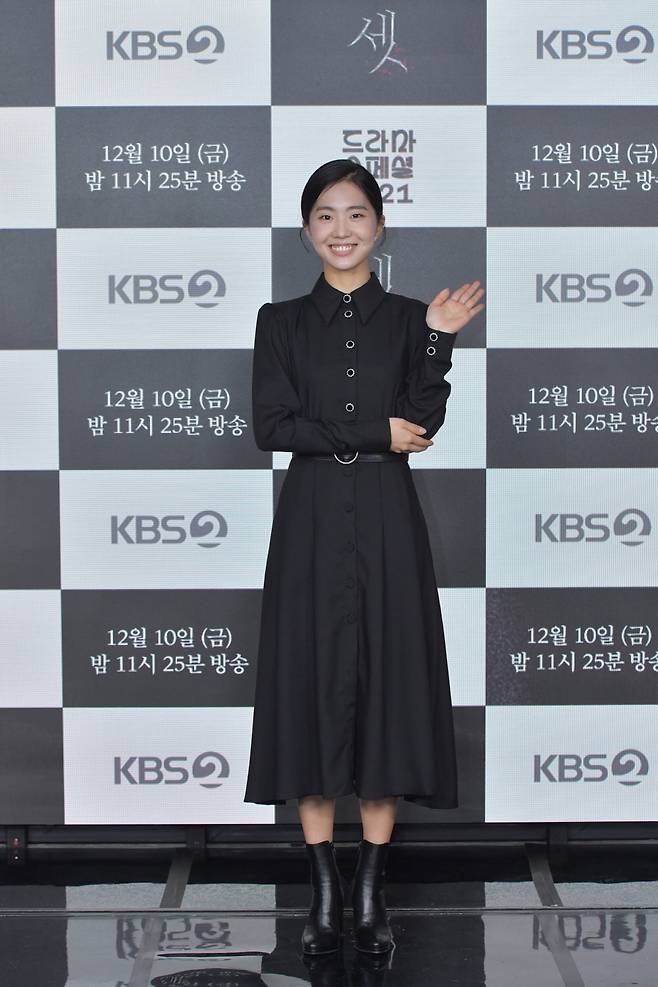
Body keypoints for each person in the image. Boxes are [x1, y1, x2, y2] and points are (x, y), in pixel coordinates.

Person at [243, 159, 485, 955]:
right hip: (310, 520)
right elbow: (274, 427)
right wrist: (372, 432)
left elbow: (420, 423)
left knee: (388, 697)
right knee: (310, 695)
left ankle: (371, 895)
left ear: (379, 226)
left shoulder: (414, 319)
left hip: (387, 519)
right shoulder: (280, 322)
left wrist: (439, 343)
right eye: (325, 215)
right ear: (306, 229)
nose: (340, 229)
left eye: (355, 214)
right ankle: (323, 896)